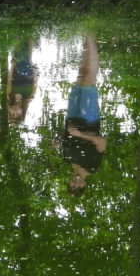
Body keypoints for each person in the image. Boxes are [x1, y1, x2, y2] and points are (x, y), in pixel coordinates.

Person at [54, 32, 105, 195]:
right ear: (84, 185)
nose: (75, 183)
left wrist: (59, 141)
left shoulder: (68, 161)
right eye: (78, 187)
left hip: (72, 116)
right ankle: (90, 34)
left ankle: (87, 37)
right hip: (88, 119)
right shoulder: (91, 167)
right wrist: (81, 134)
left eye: (71, 185)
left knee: (82, 73)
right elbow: (102, 142)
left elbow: (68, 136)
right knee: (89, 77)